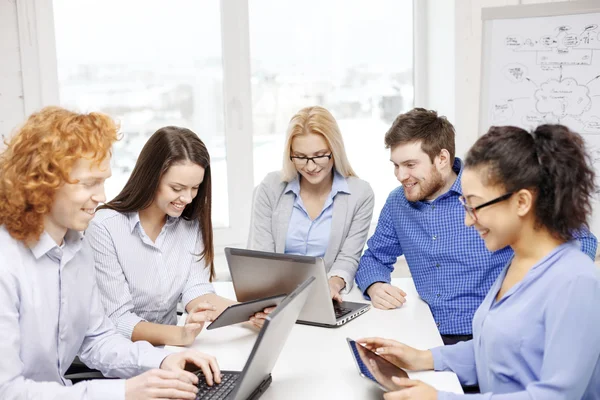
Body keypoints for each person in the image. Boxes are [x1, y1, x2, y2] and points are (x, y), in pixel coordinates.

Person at [359, 124, 600, 399]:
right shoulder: (516, 262)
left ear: (521, 202)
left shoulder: (574, 281)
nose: (466, 219)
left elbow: (557, 396)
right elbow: (494, 349)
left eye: (475, 205)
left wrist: (441, 398)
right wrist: (421, 357)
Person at [0, 107, 221, 399]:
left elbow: (97, 340)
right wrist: (124, 392)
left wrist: (164, 360)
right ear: (42, 183)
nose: (102, 196)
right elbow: (7, 390)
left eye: (103, 181)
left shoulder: (76, 249)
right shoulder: (7, 263)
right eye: (89, 183)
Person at [86, 126, 251, 347]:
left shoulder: (189, 224)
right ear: (151, 178)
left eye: (195, 188)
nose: (187, 198)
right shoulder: (104, 228)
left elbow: (197, 291)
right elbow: (118, 320)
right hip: (121, 357)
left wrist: (249, 315)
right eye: (177, 188)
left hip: (170, 351)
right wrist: (179, 335)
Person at [248, 105, 374, 301]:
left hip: (325, 297)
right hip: (276, 296)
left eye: (319, 155)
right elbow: (263, 256)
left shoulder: (360, 194)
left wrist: (332, 285)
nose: (310, 166)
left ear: (335, 150)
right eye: (300, 157)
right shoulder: (270, 187)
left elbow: (348, 257)